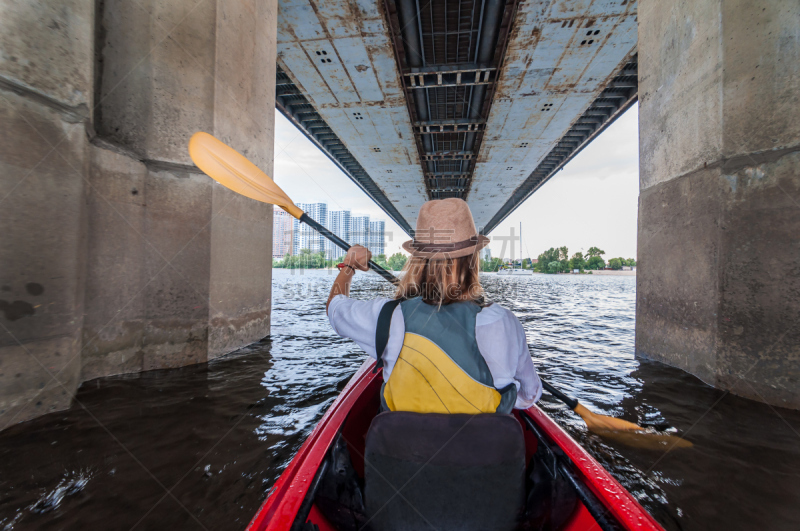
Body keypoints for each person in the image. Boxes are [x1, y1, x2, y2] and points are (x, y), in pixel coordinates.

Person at [326, 198, 541, 414]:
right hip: (482, 444)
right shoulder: (505, 322)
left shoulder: (388, 317)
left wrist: (349, 265)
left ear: (418, 259)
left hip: (404, 445)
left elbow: (334, 307)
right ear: (473, 259)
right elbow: (529, 395)